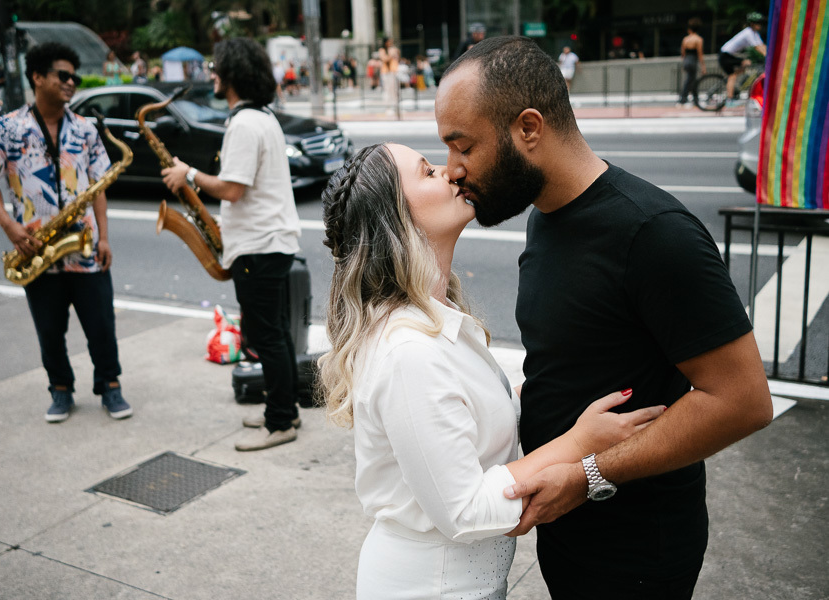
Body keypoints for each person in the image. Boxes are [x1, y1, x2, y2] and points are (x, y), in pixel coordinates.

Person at [435, 36, 773, 599]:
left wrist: (590, 475)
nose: (452, 171)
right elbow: (573, 361)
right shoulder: (545, 215)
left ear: (528, 128)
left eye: (462, 146)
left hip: (637, 551)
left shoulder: (654, 233)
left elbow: (742, 400)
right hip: (568, 531)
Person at [320, 143, 665, 599]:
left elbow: (465, 427)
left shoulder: (436, 318)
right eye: (427, 171)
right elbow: (464, 511)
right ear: (396, 221)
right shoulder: (408, 352)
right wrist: (581, 443)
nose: (448, 172)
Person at [0, 42, 133, 423]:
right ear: (38, 77)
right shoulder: (7, 128)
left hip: (83, 246)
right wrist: (11, 227)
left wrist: (105, 238)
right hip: (36, 250)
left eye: (73, 77)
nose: (70, 82)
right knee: (50, 330)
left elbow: (99, 187)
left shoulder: (85, 129)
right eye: (62, 75)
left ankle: (110, 387)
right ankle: (60, 390)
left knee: (101, 326)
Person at [161, 38, 301, 452]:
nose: (212, 74)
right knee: (274, 331)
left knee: (264, 335)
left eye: (217, 67)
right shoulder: (264, 117)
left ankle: (280, 423)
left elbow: (233, 190)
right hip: (269, 241)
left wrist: (188, 174)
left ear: (233, 74)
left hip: (259, 245)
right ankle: (285, 408)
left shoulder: (244, 124)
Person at [719, 12, 767, 103]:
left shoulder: (754, 33)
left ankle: (733, 85)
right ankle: (730, 99)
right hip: (725, 55)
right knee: (734, 73)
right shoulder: (748, 32)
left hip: (728, 55)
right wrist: (767, 56)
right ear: (752, 24)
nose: (760, 25)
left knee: (745, 66)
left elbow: (762, 45)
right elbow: (757, 47)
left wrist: (769, 53)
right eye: (758, 23)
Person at [678, 18, 706, 107]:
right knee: (690, 80)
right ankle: (683, 98)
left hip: (687, 60)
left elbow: (683, 53)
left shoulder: (685, 39)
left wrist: (684, 63)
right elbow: (700, 54)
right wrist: (703, 66)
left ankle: (694, 99)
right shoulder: (698, 39)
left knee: (691, 80)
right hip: (693, 60)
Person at [378, 37, 400, 114]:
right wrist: (392, 55)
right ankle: (388, 107)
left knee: (395, 90)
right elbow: (384, 59)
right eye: (389, 42)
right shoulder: (382, 50)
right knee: (388, 90)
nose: (390, 43)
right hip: (386, 73)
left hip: (393, 72)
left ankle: (396, 107)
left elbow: (396, 59)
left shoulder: (392, 49)